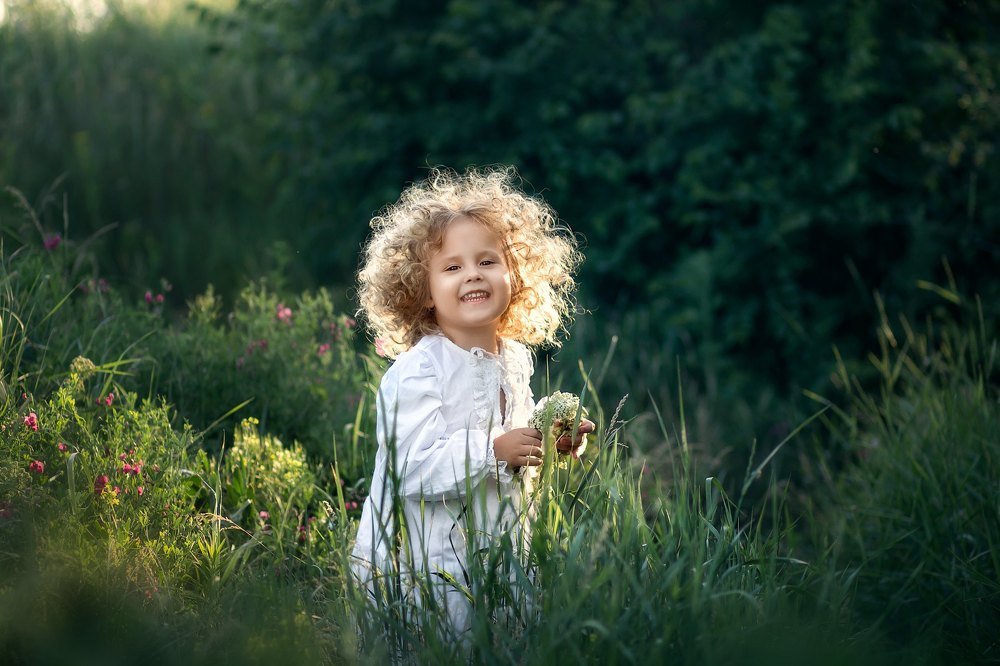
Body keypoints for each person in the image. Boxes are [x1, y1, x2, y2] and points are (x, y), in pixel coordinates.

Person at [351, 166, 595, 638]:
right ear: (421, 291)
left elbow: (513, 438)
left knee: (501, 640)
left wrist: (550, 438)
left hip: (499, 552)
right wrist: (493, 450)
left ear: (515, 274)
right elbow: (413, 467)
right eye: (452, 267)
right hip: (426, 563)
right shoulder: (419, 371)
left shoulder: (515, 359)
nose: (473, 275)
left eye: (487, 261)